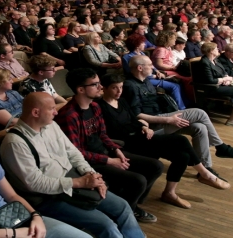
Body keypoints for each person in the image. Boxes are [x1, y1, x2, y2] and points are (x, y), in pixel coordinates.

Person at [0, 92, 145, 238]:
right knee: (105, 224)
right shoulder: (15, 143)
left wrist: (91, 174)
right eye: (51, 109)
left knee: (123, 207)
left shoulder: (51, 126)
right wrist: (79, 182)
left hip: (75, 182)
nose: (56, 112)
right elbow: (34, 184)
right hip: (49, 198)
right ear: (36, 112)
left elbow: (73, 153)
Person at [99, 73, 230, 209]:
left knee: (183, 156)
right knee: (181, 140)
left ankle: (169, 193)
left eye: (120, 87)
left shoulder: (122, 101)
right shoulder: (101, 107)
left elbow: (134, 119)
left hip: (141, 137)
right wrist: (140, 126)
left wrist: (144, 126)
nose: (119, 91)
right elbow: (117, 130)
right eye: (115, 88)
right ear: (105, 88)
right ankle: (205, 173)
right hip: (128, 143)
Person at [56, 68, 164, 222]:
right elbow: (76, 152)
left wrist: (116, 150)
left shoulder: (94, 106)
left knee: (156, 166)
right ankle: (125, 211)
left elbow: (103, 135)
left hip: (105, 152)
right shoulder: (69, 115)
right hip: (89, 162)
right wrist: (110, 161)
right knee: (138, 180)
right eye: (95, 84)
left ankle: (130, 205)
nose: (100, 87)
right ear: (80, 89)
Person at [123, 55, 233, 171]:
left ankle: (206, 168)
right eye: (150, 65)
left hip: (162, 116)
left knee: (200, 127)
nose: (153, 67)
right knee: (199, 113)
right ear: (140, 68)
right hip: (151, 124)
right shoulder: (130, 85)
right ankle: (221, 147)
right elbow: (136, 115)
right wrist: (168, 120)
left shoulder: (146, 81)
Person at [192, 43, 233, 128]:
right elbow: (210, 80)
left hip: (223, 84)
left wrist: (226, 78)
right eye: (216, 49)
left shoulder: (215, 60)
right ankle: (232, 120)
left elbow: (224, 72)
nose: (218, 50)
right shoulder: (204, 62)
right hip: (213, 88)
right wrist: (224, 80)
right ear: (211, 51)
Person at [122, 33, 187, 110]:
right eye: (142, 43)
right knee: (174, 86)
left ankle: (186, 104)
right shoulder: (127, 57)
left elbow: (151, 65)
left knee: (179, 81)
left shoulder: (142, 53)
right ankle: (181, 108)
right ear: (137, 45)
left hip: (152, 76)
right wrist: (154, 76)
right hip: (144, 80)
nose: (144, 44)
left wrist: (157, 72)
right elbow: (131, 73)